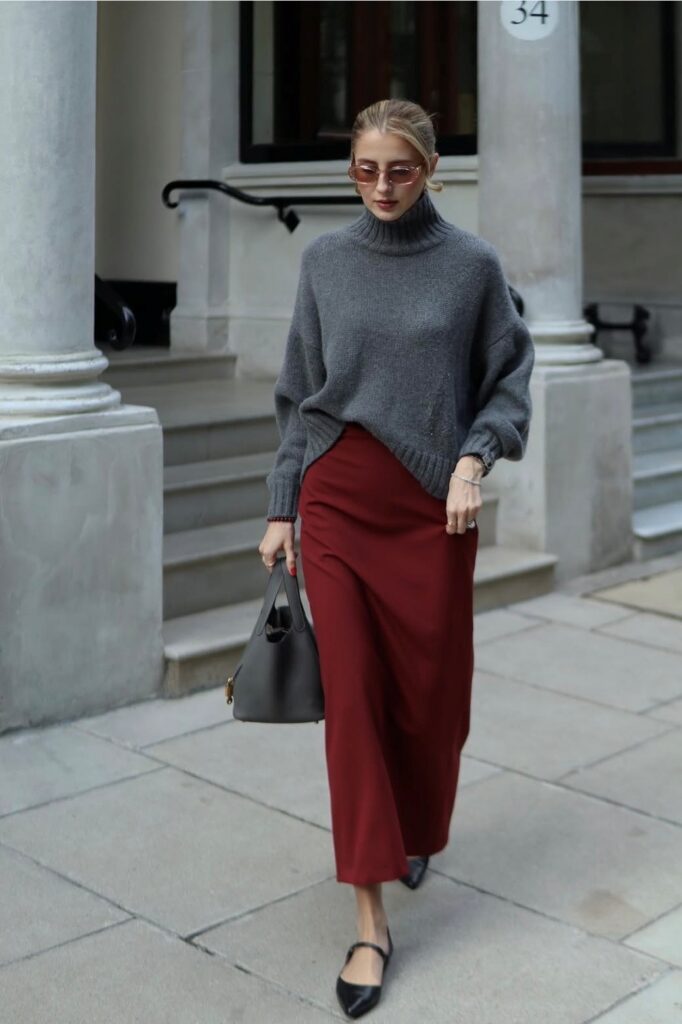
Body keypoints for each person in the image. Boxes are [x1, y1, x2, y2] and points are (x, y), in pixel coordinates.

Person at [258, 97, 535, 1019]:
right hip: (337, 503)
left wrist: (472, 458)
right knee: (356, 708)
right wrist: (282, 504)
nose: (382, 186)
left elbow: (508, 380)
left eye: (400, 170)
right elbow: (301, 392)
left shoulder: (472, 268)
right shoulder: (325, 263)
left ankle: (414, 830)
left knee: (431, 701)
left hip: (432, 513)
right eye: (366, 170)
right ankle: (370, 914)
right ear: (352, 172)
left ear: (431, 170)